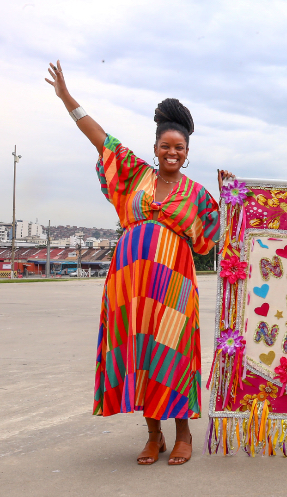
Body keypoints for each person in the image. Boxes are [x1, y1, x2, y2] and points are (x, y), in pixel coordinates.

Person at [45, 61, 227, 465]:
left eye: (180, 148)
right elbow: (100, 139)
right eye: (166, 146)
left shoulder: (196, 195)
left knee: (173, 353)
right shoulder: (134, 175)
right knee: (138, 351)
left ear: (187, 152)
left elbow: (226, 231)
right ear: (156, 147)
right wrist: (66, 99)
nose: (172, 152)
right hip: (128, 283)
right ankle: (153, 435)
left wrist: (232, 194)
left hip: (173, 285)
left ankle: (184, 434)